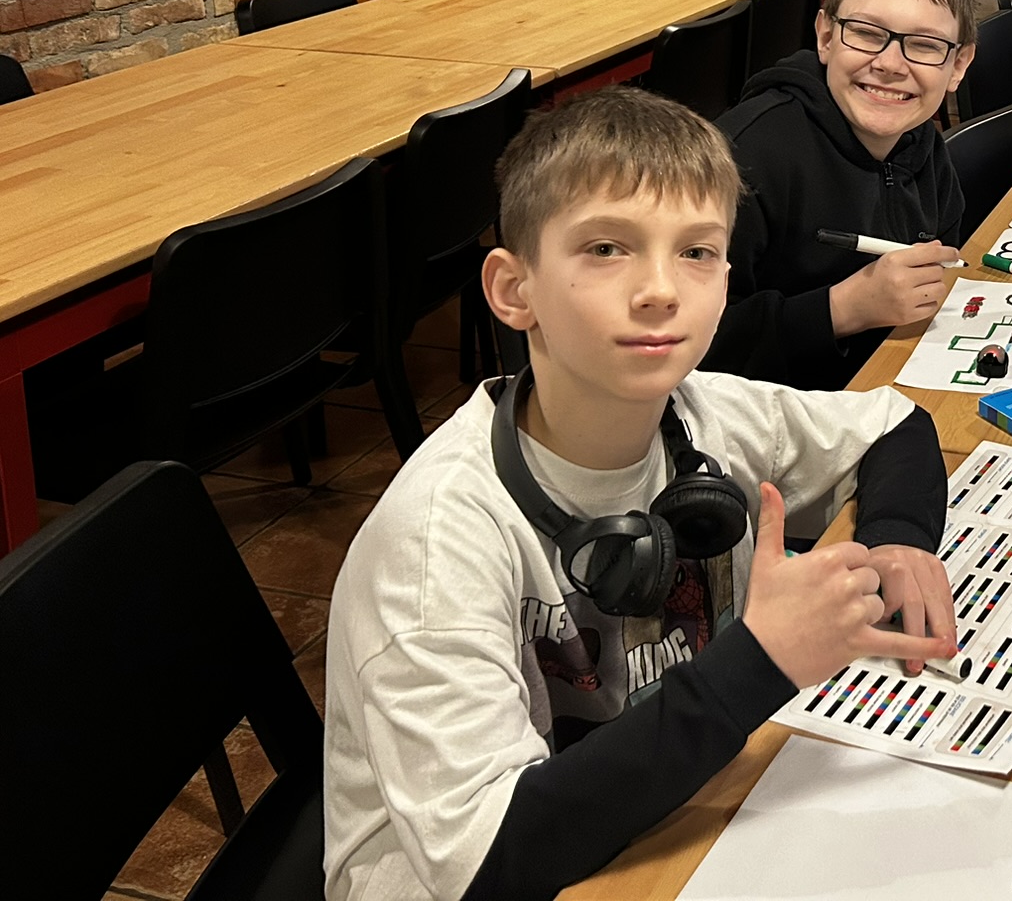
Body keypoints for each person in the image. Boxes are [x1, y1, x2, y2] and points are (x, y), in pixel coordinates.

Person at [324, 88, 957, 901]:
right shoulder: (436, 540)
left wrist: (898, 538)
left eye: (696, 252)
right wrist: (760, 662)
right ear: (514, 290)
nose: (661, 289)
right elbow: (487, 863)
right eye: (605, 248)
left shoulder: (700, 413)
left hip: (654, 817)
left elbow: (896, 425)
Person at [704, 0, 978, 391]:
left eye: (925, 45)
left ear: (959, 65)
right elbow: (690, 347)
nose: (891, 64)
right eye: (867, 33)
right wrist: (844, 309)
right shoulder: (739, 160)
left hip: (883, 383)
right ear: (827, 36)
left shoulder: (919, 136)